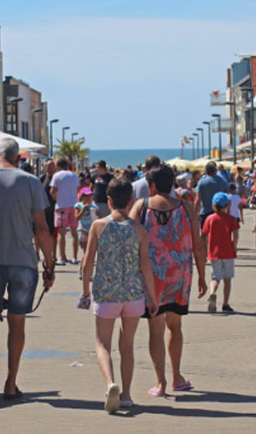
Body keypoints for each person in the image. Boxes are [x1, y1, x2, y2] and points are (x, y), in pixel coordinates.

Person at [0, 137, 55, 400]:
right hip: (23, 261)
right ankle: (11, 383)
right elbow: (41, 228)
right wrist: (49, 264)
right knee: (17, 323)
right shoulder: (30, 181)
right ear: (18, 158)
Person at [81, 178, 158, 413]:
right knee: (127, 346)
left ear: (109, 200)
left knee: (102, 344)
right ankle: (126, 395)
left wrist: (85, 290)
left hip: (106, 294)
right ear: (131, 201)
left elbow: (88, 262)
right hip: (134, 295)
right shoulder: (138, 229)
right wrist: (152, 298)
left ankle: (110, 383)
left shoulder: (99, 226)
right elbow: (145, 265)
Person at [129, 165, 207, 397]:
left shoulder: (141, 206)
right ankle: (177, 377)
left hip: (151, 277)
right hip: (179, 276)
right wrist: (202, 275)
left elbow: (129, 237)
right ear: (172, 184)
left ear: (151, 186)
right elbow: (198, 244)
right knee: (175, 326)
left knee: (155, 329)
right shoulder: (186, 208)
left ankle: (161, 383)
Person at [202, 192, 239, 314]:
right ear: (227, 205)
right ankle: (225, 303)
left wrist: (205, 249)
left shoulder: (209, 219)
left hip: (213, 252)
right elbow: (235, 234)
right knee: (227, 279)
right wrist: (234, 246)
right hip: (228, 252)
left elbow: (205, 235)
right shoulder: (231, 219)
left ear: (213, 205)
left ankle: (212, 293)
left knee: (215, 278)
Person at [51, 158, 80, 265]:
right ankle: (75, 257)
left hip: (61, 205)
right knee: (74, 232)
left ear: (58, 166)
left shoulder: (57, 175)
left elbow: (52, 191)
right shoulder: (74, 175)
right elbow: (77, 190)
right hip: (74, 205)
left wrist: (55, 196)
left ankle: (62, 258)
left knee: (61, 233)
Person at [195, 161, 227, 229]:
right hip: (219, 212)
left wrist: (195, 213)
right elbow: (227, 196)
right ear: (215, 170)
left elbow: (198, 199)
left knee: (204, 235)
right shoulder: (221, 181)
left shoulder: (201, 182)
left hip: (205, 212)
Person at [38, 160, 58, 262]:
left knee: (53, 235)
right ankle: (43, 254)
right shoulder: (41, 178)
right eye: (48, 166)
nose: (50, 168)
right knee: (42, 234)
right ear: (45, 167)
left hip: (55, 210)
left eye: (52, 166)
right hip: (43, 211)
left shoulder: (57, 178)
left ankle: (54, 255)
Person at [75, 187, 98, 254]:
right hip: (82, 229)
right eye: (87, 196)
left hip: (91, 229)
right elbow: (77, 218)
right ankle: (85, 263)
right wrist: (83, 209)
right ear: (82, 196)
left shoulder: (93, 205)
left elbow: (97, 216)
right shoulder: (78, 205)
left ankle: (89, 262)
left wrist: (96, 213)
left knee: (91, 250)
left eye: (90, 196)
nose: (89, 197)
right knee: (86, 251)